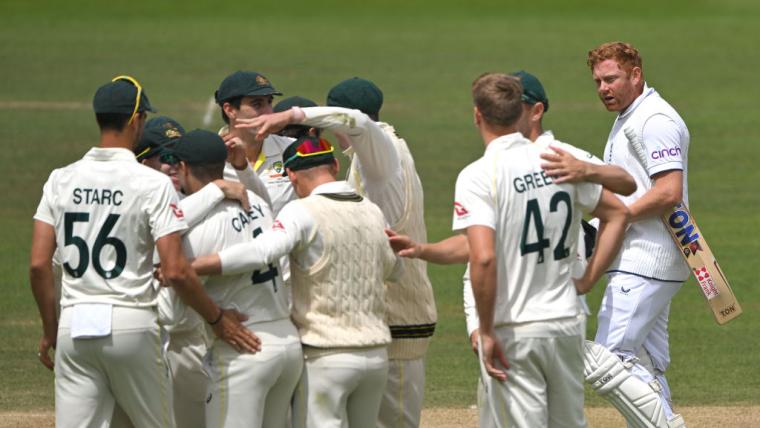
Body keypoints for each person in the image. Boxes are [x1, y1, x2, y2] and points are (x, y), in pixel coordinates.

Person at [29, 76, 260, 428]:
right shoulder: (150, 183)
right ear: (136, 120)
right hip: (131, 323)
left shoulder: (61, 178)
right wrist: (216, 319)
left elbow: (38, 265)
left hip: (74, 326)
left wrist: (50, 329)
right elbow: (177, 270)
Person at [239, 78, 436, 428]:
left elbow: (359, 123)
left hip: (396, 323)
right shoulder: (367, 159)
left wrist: (291, 116)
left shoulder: (383, 152)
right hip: (371, 324)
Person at [191, 135, 401, 428]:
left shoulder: (301, 210)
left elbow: (263, 250)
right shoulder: (372, 210)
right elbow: (394, 268)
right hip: (376, 356)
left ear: (290, 173)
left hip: (326, 357)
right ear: (335, 165)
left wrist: (198, 265)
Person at [455, 73, 629, 427]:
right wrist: (588, 279)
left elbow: (482, 257)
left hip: (516, 323)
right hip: (564, 318)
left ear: (478, 115)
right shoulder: (557, 160)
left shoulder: (488, 172)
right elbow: (621, 208)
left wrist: (484, 327)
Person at [564, 41, 690, 426]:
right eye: (598, 81)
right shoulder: (632, 116)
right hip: (644, 257)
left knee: (610, 359)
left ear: (635, 74)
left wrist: (617, 218)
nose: (603, 88)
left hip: (646, 258)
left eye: (611, 78)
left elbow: (669, 192)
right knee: (644, 362)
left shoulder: (654, 121)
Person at [162, 129, 302, 428]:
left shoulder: (194, 229)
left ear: (183, 168)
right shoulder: (259, 204)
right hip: (287, 344)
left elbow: (172, 314)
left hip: (243, 349)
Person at [215, 70, 295, 215]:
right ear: (230, 110)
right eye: (257, 104)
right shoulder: (207, 156)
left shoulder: (292, 149)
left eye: (269, 102)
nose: (269, 113)